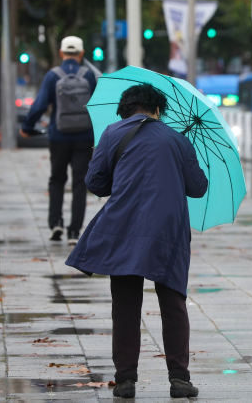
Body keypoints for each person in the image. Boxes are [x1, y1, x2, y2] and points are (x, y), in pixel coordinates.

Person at [65, 84, 208, 398]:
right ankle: (180, 380)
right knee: (173, 302)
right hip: (167, 230)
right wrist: (187, 153)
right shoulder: (177, 139)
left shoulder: (112, 134)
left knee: (126, 304)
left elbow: (95, 182)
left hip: (123, 226)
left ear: (124, 109)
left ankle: (126, 380)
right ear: (157, 110)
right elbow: (198, 188)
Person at [20, 36, 96, 245]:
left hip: (58, 136)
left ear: (62, 53)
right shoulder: (89, 75)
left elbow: (39, 105)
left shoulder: (53, 76)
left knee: (57, 180)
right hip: (84, 136)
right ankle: (74, 232)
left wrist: (27, 127)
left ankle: (56, 223)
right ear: (81, 54)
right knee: (80, 182)